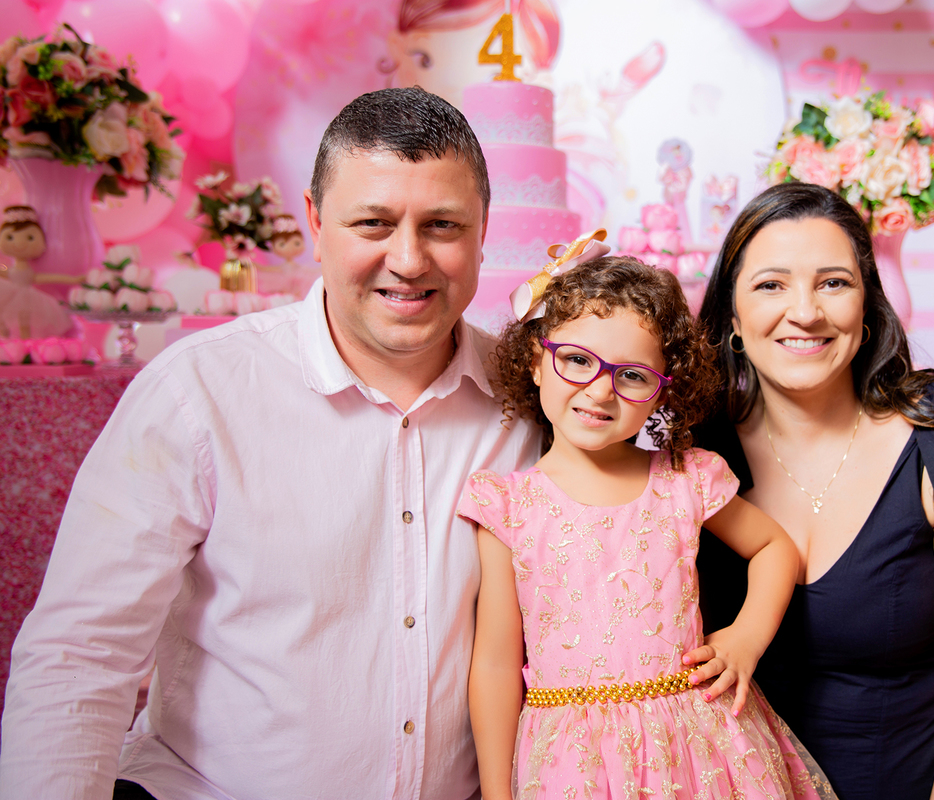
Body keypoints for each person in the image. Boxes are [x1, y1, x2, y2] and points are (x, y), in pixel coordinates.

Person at [0, 87, 540, 800]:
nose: (408, 260)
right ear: (315, 223)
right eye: (373, 223)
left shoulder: (532, 402)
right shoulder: (197, 395)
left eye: (442, 224)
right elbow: (79, 657)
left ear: (482, 230)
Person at [458, 249, 837, 799]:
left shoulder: (687, 478)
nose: (600, 389)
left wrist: (746, 639)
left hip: (699, 744)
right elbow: (495, 664)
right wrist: (497, 794)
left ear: (662, 390)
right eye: (578, 360)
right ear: (537, 360)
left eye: (632, 375)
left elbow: (773, 546)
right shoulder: (508, 505)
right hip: (574, 764)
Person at [694, 182, 934, 800]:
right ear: (733, 318)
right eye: (771, 285)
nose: (805, 312)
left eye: (833, 282)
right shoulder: (693, 457)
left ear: (869, 306)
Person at [0, 204, 76, 339]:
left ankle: (25, 342)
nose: (19, 244)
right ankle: (6, 337)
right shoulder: (9, 271)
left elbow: (49, 277)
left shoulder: (27, 273)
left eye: (30, 238)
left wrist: (73, 280)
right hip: (11, 294)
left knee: (26, 320)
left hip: (29, 298)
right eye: (10, 238)